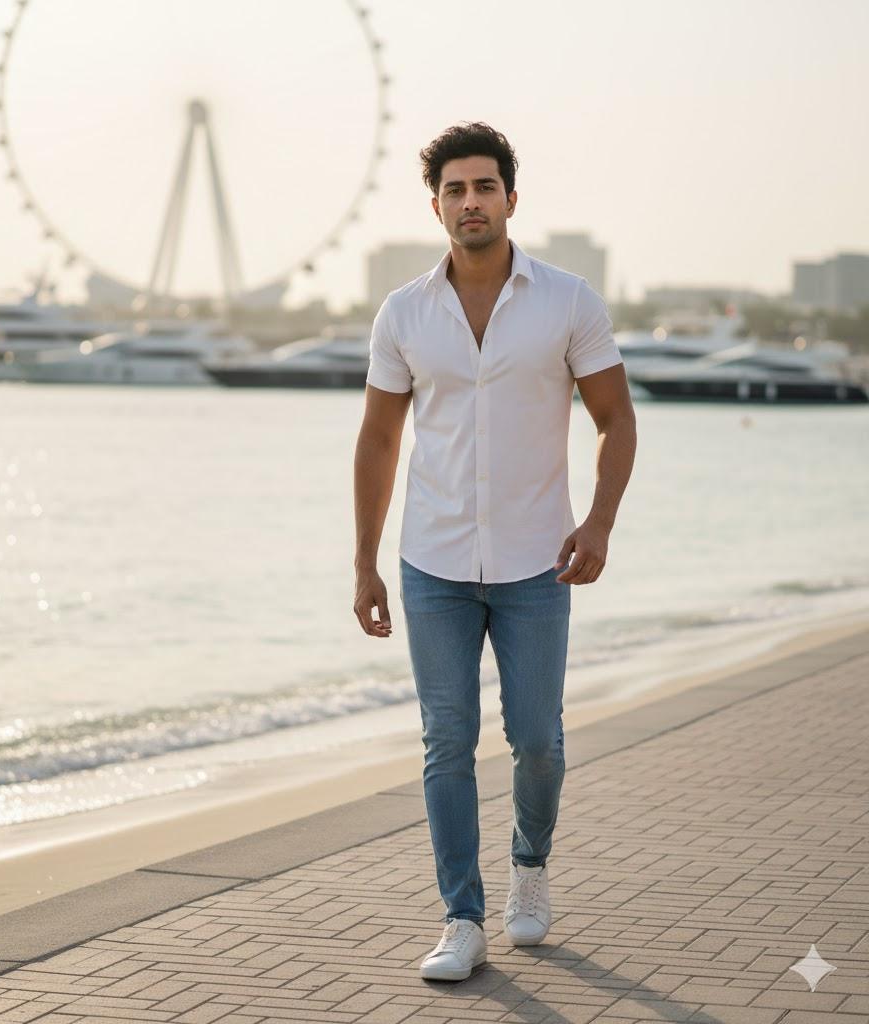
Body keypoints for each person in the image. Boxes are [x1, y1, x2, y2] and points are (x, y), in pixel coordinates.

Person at [352, 122, 637, 981]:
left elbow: (615, 419)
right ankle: (462, 918)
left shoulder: (568, 302)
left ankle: (530, 864)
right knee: (447, 740)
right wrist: (364, 561)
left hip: (536, 562)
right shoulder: (403, 313)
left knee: (537, 739)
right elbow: (378, 440)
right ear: (435, 206)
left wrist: (599, 523)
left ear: (511, 198)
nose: (469, 202)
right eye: (454, 190)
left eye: (484, 187)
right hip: (432, 561)